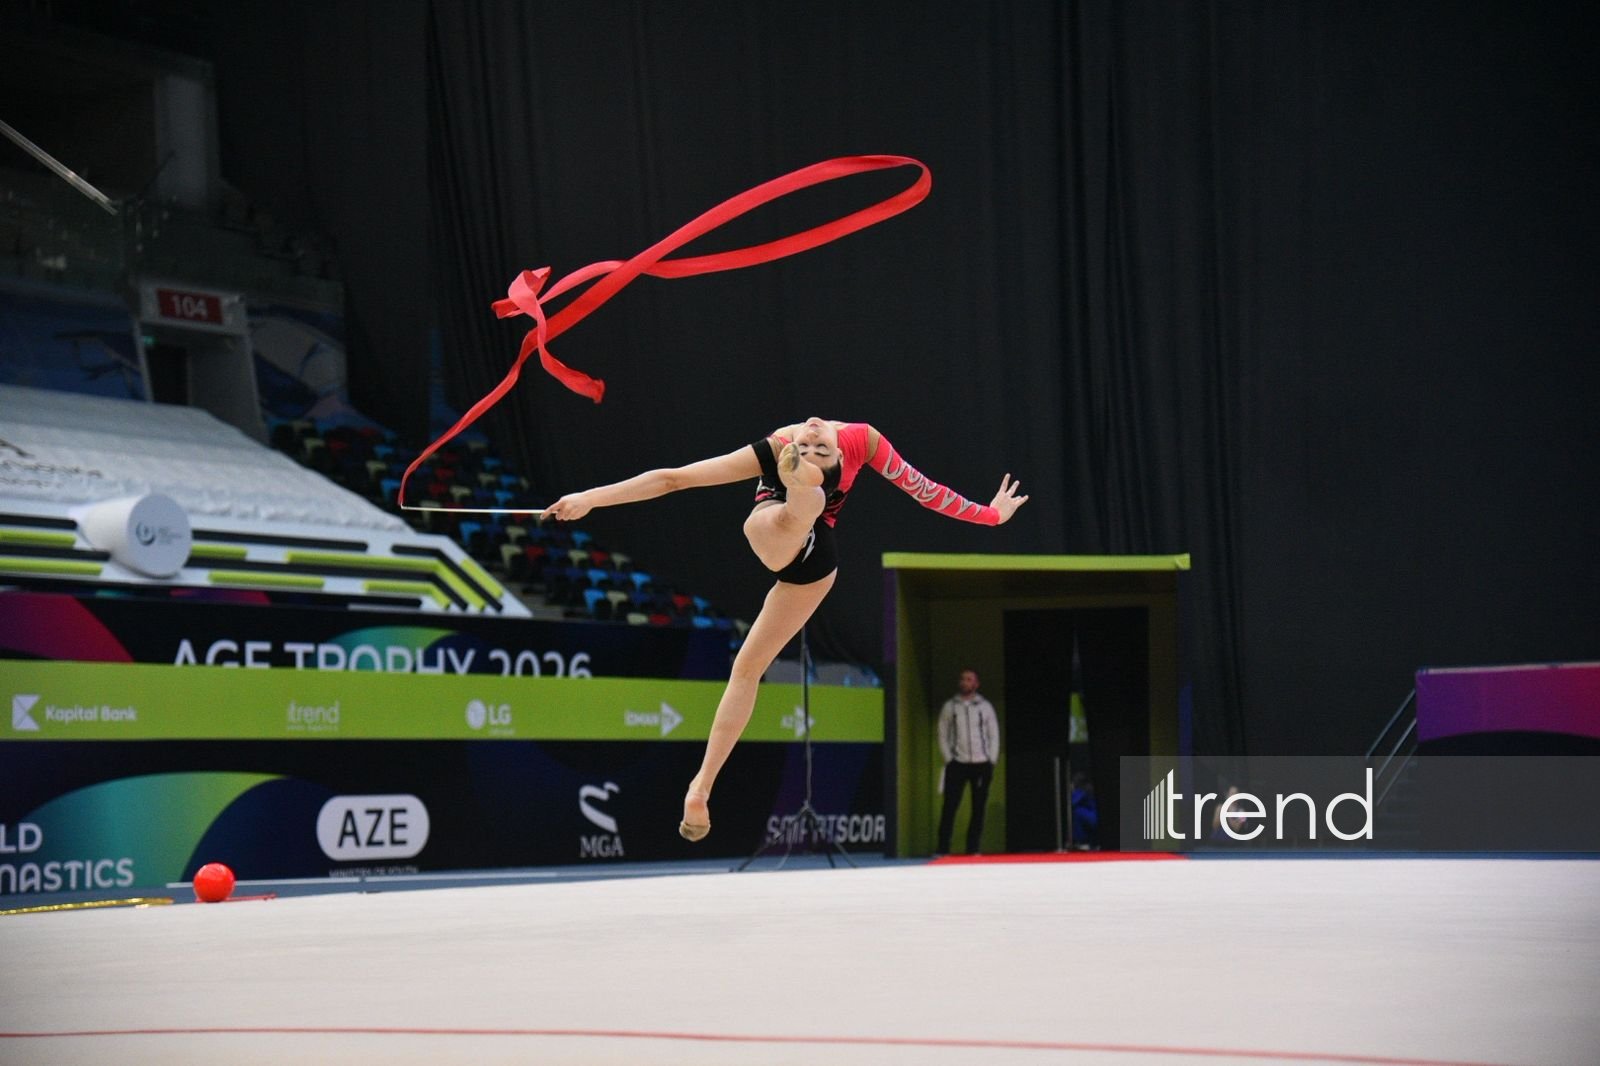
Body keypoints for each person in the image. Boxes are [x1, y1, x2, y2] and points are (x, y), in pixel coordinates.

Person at [541, 418, 1029, 840]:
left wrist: (991, 516)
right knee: (746, 662)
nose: (813, 436)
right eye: (810, 445)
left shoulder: (812, 445)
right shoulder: (833, 440)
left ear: (840, 455)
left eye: (818, 448)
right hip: (785, 537)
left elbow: (926, 491)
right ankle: (701, 787)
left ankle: (803, 494)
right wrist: (589, 499)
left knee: (788, 521)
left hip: (814, 561)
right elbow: (672, 479)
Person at [935, 668, 1001, 855]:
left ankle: (973, 848)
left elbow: (993, 734)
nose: (965, 682)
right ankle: (942, 848)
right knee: (949, 806)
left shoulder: (985, 706)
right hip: (957, 763)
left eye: (969, 679)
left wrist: (991, 760)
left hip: (981, 764)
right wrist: (949, 759)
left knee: (978, 808)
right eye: (963, 678)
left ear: (976, 684)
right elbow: (942, 733)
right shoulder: (950, 706)